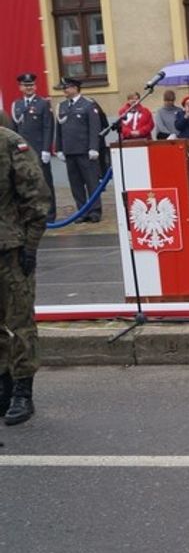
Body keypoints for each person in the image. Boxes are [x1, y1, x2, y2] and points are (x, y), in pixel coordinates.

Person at [0, 123, 51, 426]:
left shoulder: (9, 143)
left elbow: (36, 198)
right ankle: (3, 387)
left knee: (20, 322)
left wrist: (29, 247)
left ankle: (22, 392)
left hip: (9, 249)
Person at [54, 76, 104, 223]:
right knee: (76, 184)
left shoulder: (88, 104)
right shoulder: (62, 106)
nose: (65, 90)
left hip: (85, 151)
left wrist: (94, 147)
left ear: (75, 88)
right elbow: (59, 129)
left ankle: (95, 211)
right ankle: (82, 211)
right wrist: (59, 148)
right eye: (64, 88)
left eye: (67, 87)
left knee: (91, 182)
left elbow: (95, 128)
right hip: (69, 151)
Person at [11, 73, 56, 222]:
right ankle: (32, 213)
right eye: (25, 85)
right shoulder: (16, 105)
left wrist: (46, 149)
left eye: (31, 85)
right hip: (23, 152)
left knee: (45, 183)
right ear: (20, 87)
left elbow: (48, 127)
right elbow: (14, 130)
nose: (29, 88)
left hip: (39, 149)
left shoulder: (42, 103)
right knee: (27, 183)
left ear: (35, 87)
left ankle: (49, 214)